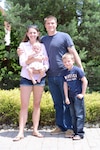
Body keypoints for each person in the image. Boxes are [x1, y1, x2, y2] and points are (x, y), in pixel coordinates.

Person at [41, 15, 84, 137]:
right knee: (57, 103)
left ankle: (70, 128)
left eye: (52, 23)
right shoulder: (43, 39)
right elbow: (34, 47)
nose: (50, 25)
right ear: (45, 25)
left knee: (68, 102)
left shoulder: (64, 36)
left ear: (56, 24)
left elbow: (73, 52)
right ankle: (60, 126)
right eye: (48, 23)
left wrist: (80, 67)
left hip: (65, 75)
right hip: (51, 75)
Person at [13, 25, 49, 141]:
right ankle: (20, 132)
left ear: (38, 33)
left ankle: (35, 130)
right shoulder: (23, 46)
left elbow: (46, 62)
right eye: (30, 33)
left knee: (37, 105)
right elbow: (23, 63)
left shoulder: (42, 46)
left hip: (40, 77)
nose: (32, 35)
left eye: (34, 33)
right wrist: (34, 59)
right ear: (27, 34)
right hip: (26, 78)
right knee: (24, 105)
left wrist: (41, 68)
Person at [62, 53, 88, 140]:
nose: (67, 63)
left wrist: (82, 94)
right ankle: (75, 132)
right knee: (73, 115)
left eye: (69, 61)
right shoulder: (65, 72)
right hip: (70, 96)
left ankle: (80, 133)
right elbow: (65, 85)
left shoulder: (77, 70)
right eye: (65, 62)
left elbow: (85, 81)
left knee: (79, 115)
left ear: (73, 61)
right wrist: (66, 97)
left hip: (78, 96)